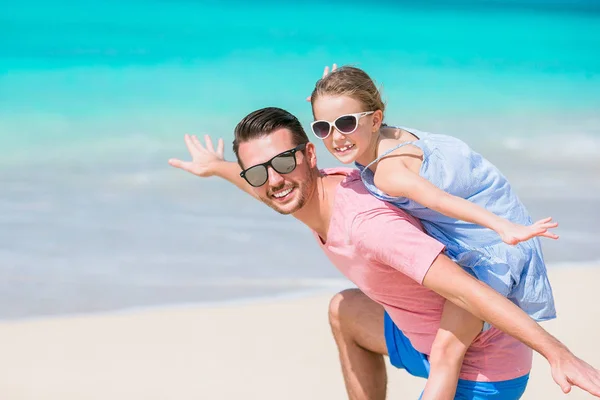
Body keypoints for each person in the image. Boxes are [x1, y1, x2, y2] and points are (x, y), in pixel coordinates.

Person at [168, 107, 600, 400]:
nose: (274, 180)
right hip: (421, 339)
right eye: (258, 171)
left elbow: (468, 291)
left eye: (283, 163)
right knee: (345, 310)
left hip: (481, 367)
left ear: (309, 155)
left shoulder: (369, 226)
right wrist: (217, 169)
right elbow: (265, 185)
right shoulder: (303, 187)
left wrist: (557, 353)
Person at [308, 65, 560, 397]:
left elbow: (439, 199)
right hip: (488, 230)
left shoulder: (388, 173)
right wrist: (325, 95)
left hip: (483, 253)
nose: (336, 137)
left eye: (345, 123)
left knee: (446, 354)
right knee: (362, 315)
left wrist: (502, 227)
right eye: (322, 127)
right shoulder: (386, 134)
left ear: (374, 118)